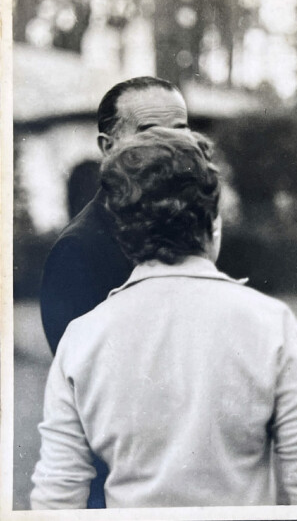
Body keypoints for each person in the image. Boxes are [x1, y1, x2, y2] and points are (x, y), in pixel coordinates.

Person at [31, 128, 297, 508]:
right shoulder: (270, 322)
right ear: (213, 220)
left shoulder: (81, 338)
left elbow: (56, 501)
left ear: (122, 232)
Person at [37, 76, 190, 508]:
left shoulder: (190, 229)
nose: (174, 148)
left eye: (181, 132)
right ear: (108, 147)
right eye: (151, 134)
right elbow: (94, 399)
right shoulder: (78, 252)